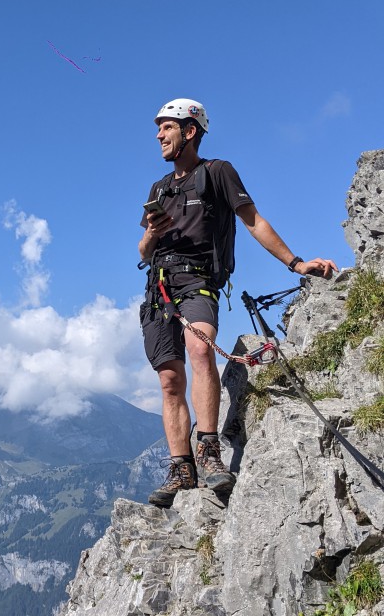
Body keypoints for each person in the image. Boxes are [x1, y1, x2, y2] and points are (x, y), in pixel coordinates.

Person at [139, 97, 338, 508]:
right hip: (158, 289)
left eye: (167, 128)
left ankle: (208, 451)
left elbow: (253, 220)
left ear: (189, 131)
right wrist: (153, 234)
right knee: (169, 380)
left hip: (198, 282)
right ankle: (181, 468)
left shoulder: (217, 173)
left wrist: (295, 263)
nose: (159, 135)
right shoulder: (159, 189)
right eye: (159, 128)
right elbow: (142, 250)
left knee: (199, 348)